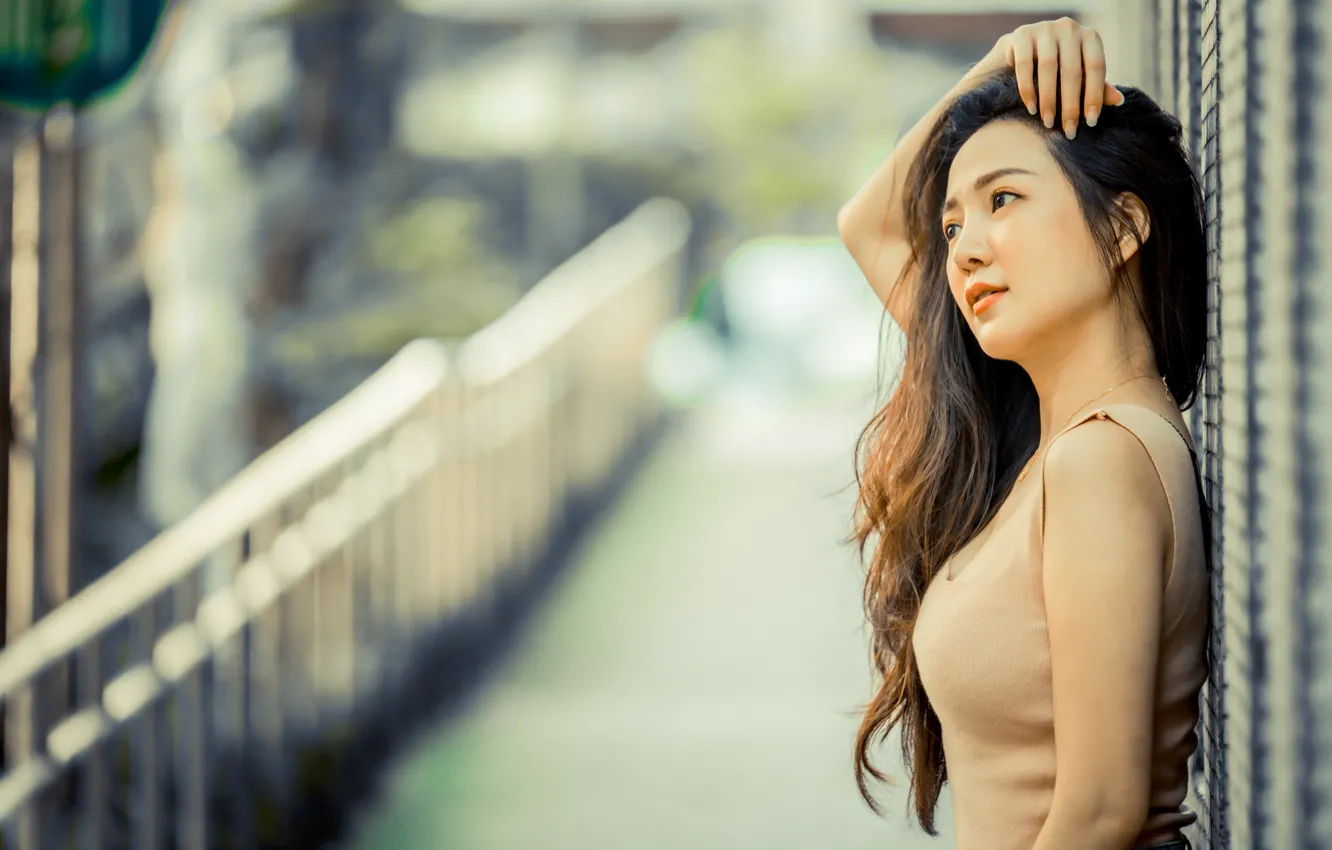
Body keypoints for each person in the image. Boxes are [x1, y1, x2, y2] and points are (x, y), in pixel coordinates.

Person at [837, 18, 1211, 850]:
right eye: (954, 226)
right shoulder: (1046, 439)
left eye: (1003, 200)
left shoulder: (1100, 460)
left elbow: (1100, 813)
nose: (965, 251)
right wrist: (999, 67)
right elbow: (870, 227)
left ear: (1121, 228)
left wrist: (997, 76)